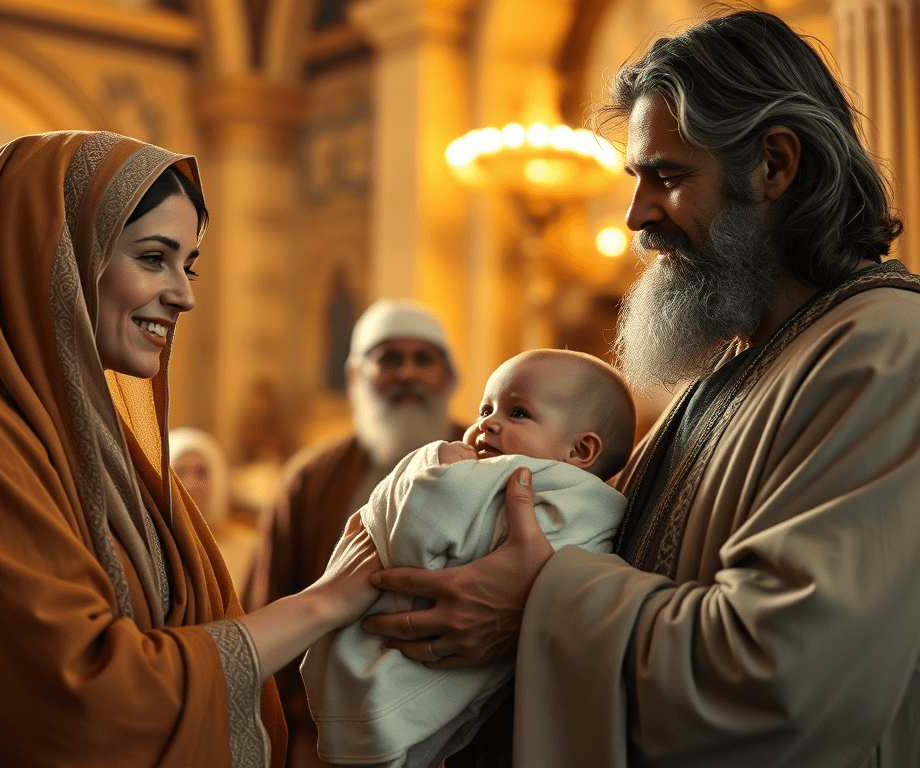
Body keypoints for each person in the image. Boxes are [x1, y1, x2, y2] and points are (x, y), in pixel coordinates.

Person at [358, 9, 920, 767]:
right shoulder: (734, 368)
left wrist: (538, 601)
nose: (636, 215)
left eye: (669, 176)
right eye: (636, 179)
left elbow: (781, 679)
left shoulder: (887, 350)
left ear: (775, 166)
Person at [0, 130, 380, 767]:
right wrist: (326, 600)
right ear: (57, 256)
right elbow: (90, 700)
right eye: (154, 257)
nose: (184, 294)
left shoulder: (82, 435)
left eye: (189, 264)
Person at [301, 349, 635, 768]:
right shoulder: (602, 508)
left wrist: (432, 464)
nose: (486, 424)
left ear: (581, 451)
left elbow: (413, 533)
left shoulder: (525, 484)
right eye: (486, 408)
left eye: (518, 413)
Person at [243, 297, 467, 768]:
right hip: (327, 738)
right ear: (354, 377)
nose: (407, 373)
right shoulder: (311, 478)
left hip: (459, 735)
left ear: (448, 377)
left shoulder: (491, 462)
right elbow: (269, 597)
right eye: (388, 358)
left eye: (423, 359)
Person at [170, 426, 259, 589]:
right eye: (179, 472)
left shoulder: (251, 547)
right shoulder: (153, 548)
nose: (190, 486)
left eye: (201, 472)